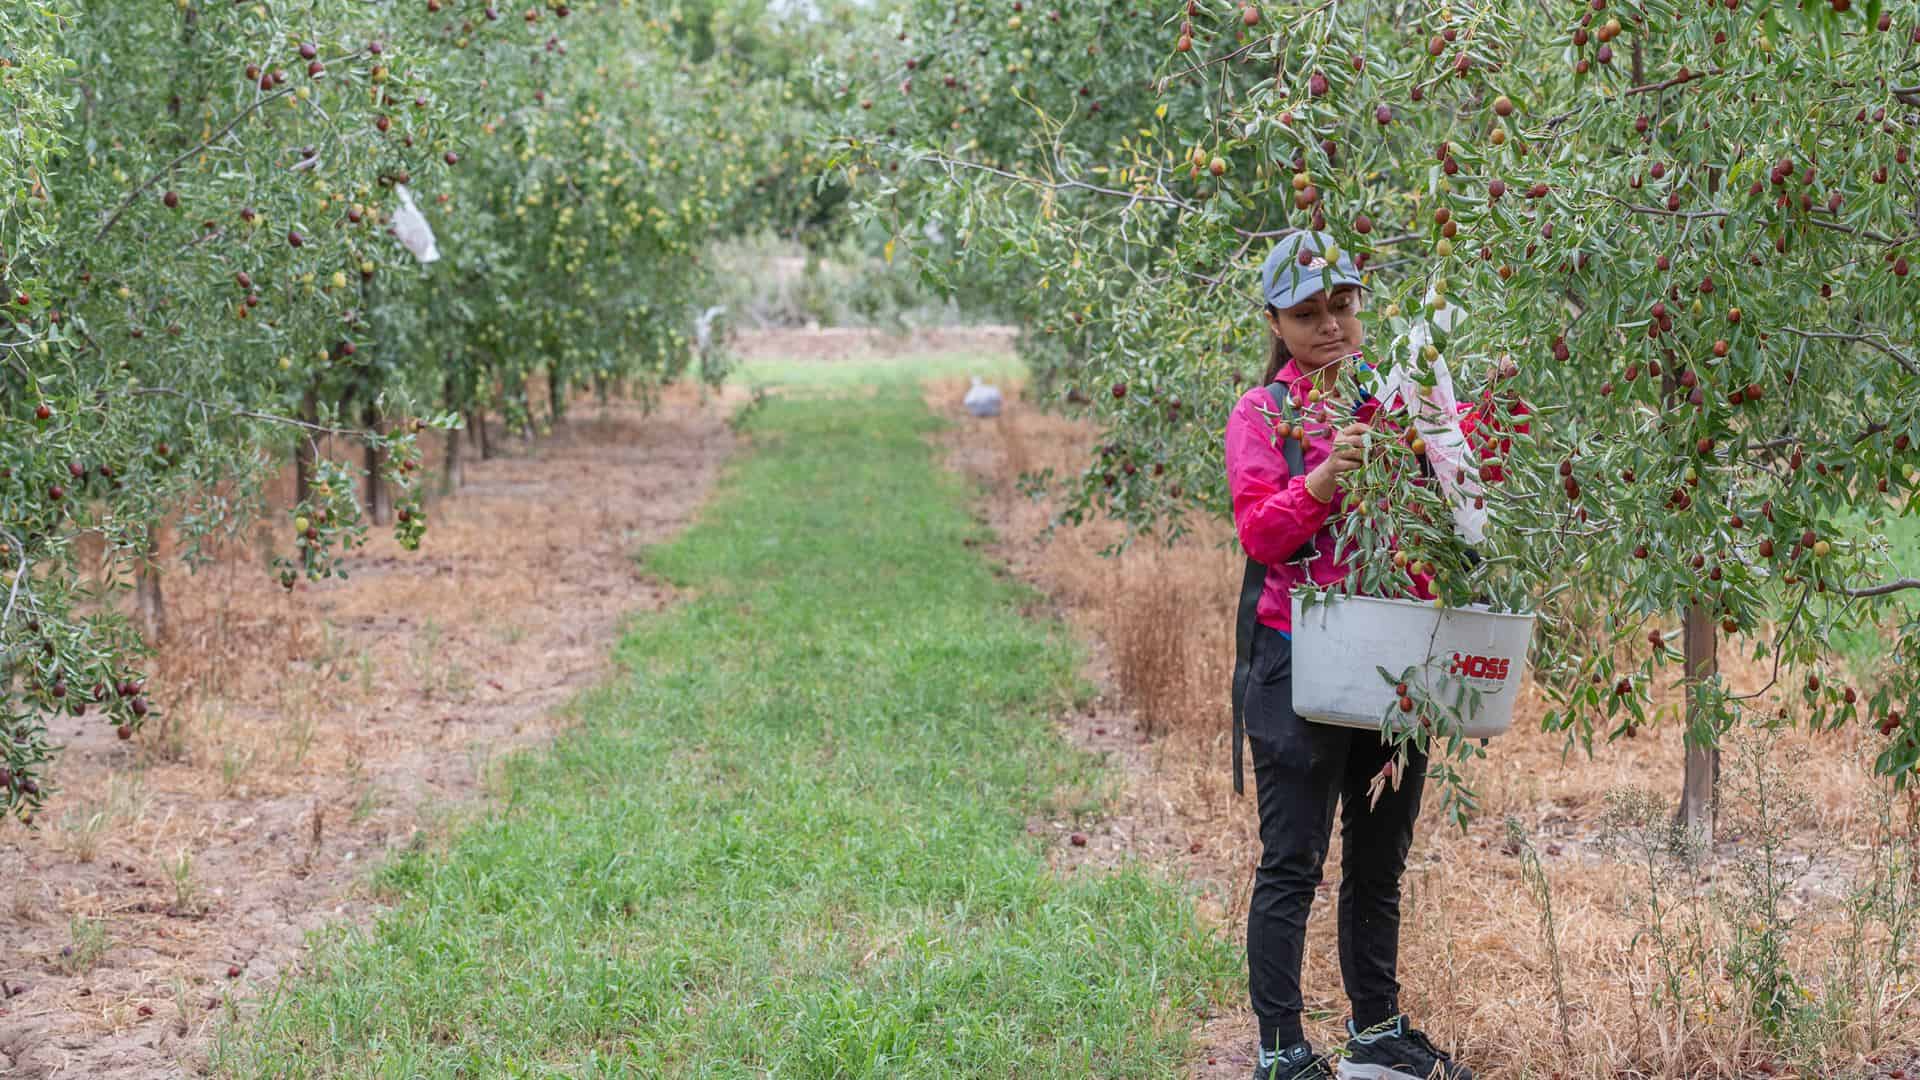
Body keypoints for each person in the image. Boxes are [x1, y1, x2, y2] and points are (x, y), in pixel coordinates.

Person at [1224, 230, 1519, 1080]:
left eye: (1343, 306)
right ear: (1276, 323)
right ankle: (1281, 1048)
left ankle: (1376, 1032)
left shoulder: (1390, 397)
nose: (1330, 327)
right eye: (1308, 314)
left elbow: (1472, 487)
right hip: (1297, 663)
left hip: (1395, 658)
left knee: (1380, 855)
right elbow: (1260, 533)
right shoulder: (1262, 415)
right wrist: (1321, 483)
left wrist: (1473, 409)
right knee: (1292, 860)